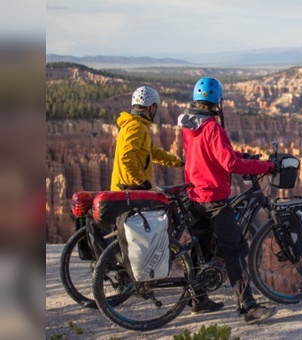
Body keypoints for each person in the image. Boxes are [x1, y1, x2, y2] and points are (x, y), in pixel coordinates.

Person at [177, 77, 277, 324]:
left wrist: (242, 155)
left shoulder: (191, 125)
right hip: (213, 198)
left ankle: (198, 300)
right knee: (235, 249)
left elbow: (213, 154)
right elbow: (229, 163)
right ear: (217, 102)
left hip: (195, 195)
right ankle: (248, 307)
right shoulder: (212, 127)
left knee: (203, 248)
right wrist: (264, 165)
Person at [110, 86, 183, 191]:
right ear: (151, 107)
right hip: (129, 191)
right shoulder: (136, 127)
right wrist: (141, 181)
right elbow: (126, 157)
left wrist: (177, 162)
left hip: (129, 189)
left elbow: (152, 152)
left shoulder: (136, 125)